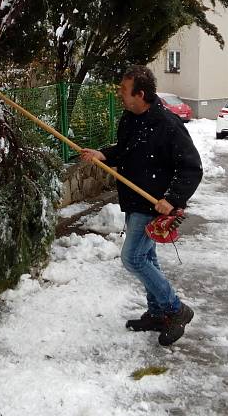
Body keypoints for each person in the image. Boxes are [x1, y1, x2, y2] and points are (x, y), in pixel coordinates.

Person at [80, 65, 203, 346]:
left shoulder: (168, 126)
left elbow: (191, 168)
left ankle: (175, 308)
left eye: (124, 91)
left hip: (152, 206)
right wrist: (104, 154)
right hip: (134, 201)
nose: (120, 95)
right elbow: (124, 151)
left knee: (132, 258)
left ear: (141, 94)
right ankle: (159, 313)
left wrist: (172, 199)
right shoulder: (131, 118)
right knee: (147, 259)